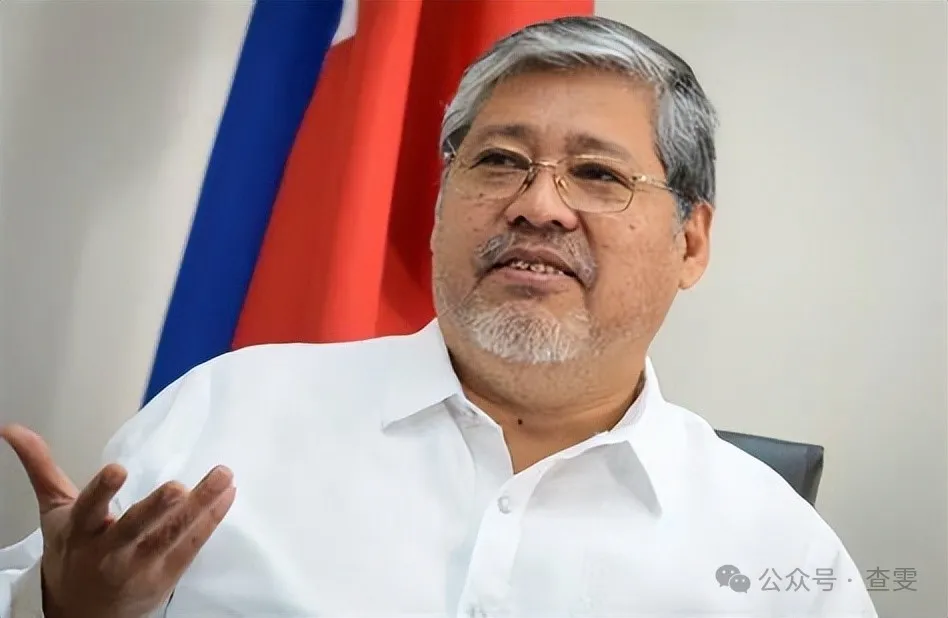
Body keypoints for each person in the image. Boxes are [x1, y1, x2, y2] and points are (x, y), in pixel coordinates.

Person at [0, 15, 876, 618]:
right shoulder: (227, 412)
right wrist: (65, 607)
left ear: (691, 242)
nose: (537, 205)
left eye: (597, 175)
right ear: (440, 206)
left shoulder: (779, 554)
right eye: (497, 161)